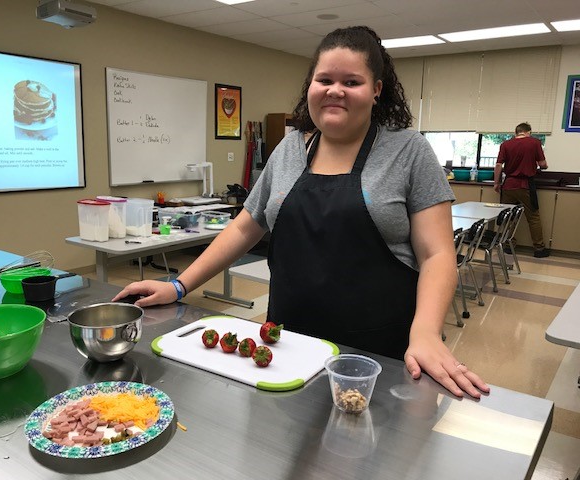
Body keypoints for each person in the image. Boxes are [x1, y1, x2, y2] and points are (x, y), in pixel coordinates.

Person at [114, 26, 489, 399]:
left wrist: (424, 333)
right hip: (285, 348)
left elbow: (437, 254)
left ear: (377, 90)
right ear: (310, 85)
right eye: (324, 79)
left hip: (379, 354)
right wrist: (178, 285)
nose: (334, 90)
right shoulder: (290, 149)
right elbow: (246, 226)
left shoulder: (408, 151)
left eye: (352, 81)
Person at [494, 122, 549, 257]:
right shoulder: (534, 143)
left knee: (508, 217)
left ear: (516, 132)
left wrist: (496, 183)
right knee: (533, 217)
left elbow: (499, 165)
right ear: (528, 132)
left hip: (508, 185)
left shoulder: (505, 144)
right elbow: (543, 164)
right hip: (526, 185)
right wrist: (542, 165)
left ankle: (508, 246)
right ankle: (539, 249)